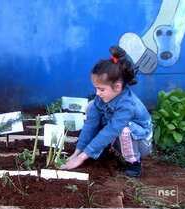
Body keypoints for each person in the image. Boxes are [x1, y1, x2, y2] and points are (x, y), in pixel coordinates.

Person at [61, 46, 153, 177]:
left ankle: (134, 163)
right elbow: (90, 125)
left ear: (117, 87)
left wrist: (82, 158)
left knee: (124, 130)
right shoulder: (101, 99)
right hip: (117, 133)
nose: (97, 93)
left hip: (141, 141)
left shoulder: (127, 105)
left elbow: (111, 130)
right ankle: (101, 150)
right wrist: (77, 152)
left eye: (101, 89)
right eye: (96, 88)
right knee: (92, 106)